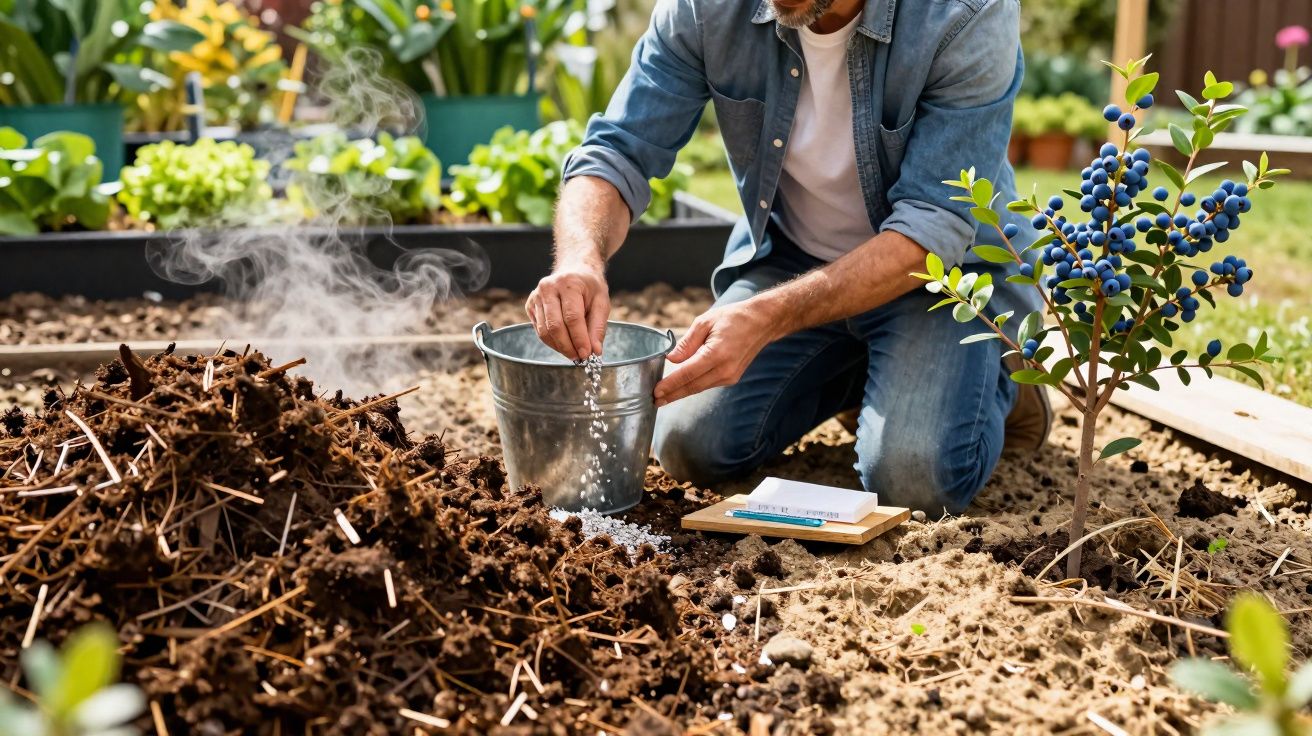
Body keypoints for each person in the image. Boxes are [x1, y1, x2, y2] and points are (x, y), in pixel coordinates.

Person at [525, 0, 1051, 514]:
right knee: (688, 444)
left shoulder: (966, 13)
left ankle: (997, 379)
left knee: (913, 480)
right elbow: (619, 148)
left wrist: (765, 318)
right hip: (792, 262)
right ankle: (864, 373)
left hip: (941, 284)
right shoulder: (705, 9)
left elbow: (931, 228)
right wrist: (579, 259)